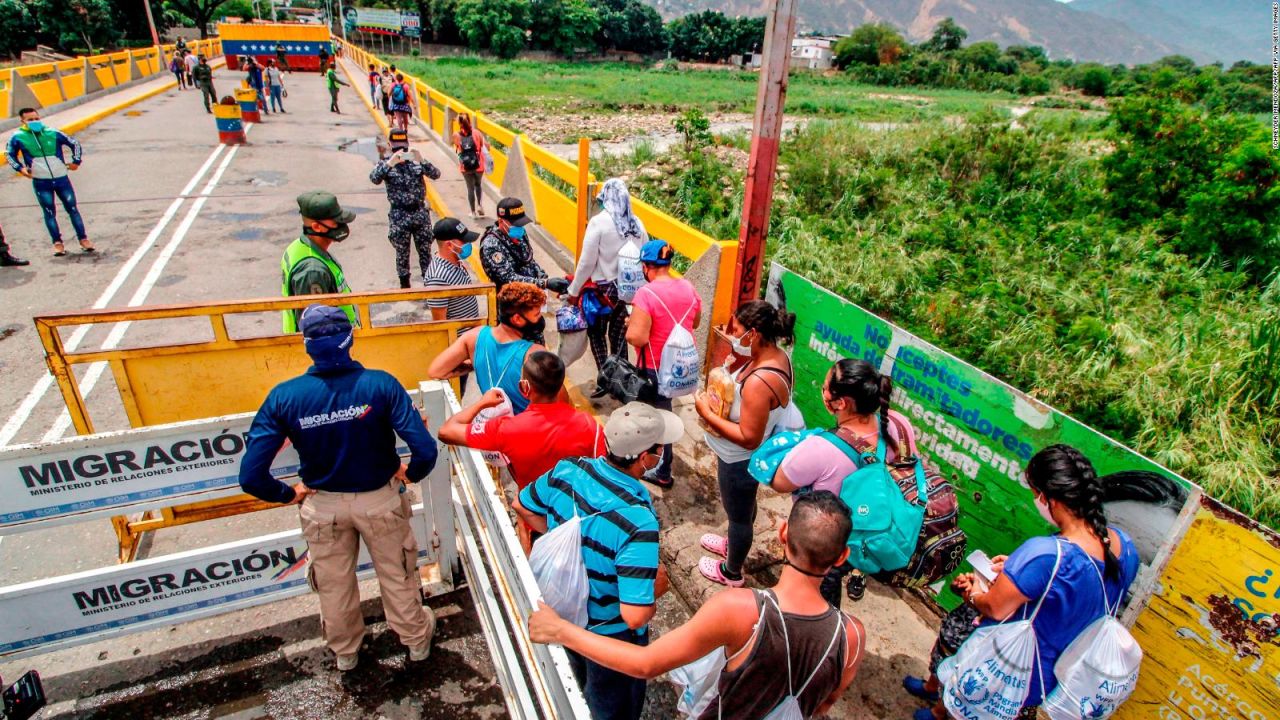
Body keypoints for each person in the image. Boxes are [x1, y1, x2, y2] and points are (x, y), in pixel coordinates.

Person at [530, 490, 866, 720]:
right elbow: (825, 703)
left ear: (782, 534)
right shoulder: (852, 636)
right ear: (842, 557)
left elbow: (646, 663)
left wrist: (562, 630)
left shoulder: (740, 609)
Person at [238, 304, 439, 672]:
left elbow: (251, 475)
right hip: (380, 500)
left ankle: (346, 652)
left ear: (307, 345)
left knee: (333, 584)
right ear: (350, 340)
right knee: (398, 573)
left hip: (323, 506)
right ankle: (416, 642)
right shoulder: (381, 384)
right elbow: (425, 449)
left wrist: (289, 493)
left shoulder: (285, 396)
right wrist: (411, 473)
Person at [903, 444, 1141, 720]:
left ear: (1047, 496)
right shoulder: (1125, 547)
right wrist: (1019, 572)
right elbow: (1073, 595)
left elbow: (994, 608)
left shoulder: (1046, 553)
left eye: (1033, 492)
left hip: (1013, 671)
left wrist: (973, 592)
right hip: (1054, 679)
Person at [514, 402, 682, 720]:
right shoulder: (638, 522)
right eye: (658, 449)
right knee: (613, 707)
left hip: (565, 609)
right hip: (608, 635)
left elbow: (521, 504)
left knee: (580, 678)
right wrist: (656, 589)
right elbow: (634, 617)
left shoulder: (568, 469)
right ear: (645, 459)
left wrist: (562, 533)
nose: (660, 455)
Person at [769, 358, 910, 605]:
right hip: (875, 529)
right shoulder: (898, 423)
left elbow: (780, 482)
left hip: (830, 542)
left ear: (840, 403)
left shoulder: (821, 447)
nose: (822, 392)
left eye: (825, 388)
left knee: (819, 590)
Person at [438, 351, 604, 550]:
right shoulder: (589, 425)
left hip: (536, 524)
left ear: (525, 387)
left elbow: (447, 431)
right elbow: (603, 472)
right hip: (581, 524)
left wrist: (483, 403)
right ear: (561, 385)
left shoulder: (508, 429)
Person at [694, 300, 796, 587]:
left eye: (736, 330)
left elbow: (749, 436)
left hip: (739, 458)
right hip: (741, 456)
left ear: (752, 333)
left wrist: (706, 414)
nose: (732, 335)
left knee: (738, 515)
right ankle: (734, 544)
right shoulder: (777, 357)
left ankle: (732, 571)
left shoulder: (758, 382)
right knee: (742, 508)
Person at [623, 239, 701, 488]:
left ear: (647, 266)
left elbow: (637, 337)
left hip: (654, 368)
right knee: (664, 412)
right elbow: (695, 322)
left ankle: (661, 469)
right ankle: (661, 464)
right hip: (681, 367)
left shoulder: (646, 293)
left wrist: (630, 324)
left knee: (657, 420)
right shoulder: (689, 288)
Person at [568, 179, 648, 390]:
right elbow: (646, 254)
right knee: (619, 336)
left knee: (596, 333)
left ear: (605, 198)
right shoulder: (637, 223)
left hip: (602, 292)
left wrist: (573, 290)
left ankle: (605, 378)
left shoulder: (599, 222)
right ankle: (620, 381)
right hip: (629, 291)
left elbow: (586, 262)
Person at [427, 282, 550, 414]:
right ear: (517, 319)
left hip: (492, 426)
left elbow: (436, 371)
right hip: (524, 429)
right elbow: (556, 406)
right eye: (537, 314)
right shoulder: (535, 353)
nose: (540, 319)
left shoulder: (474, 337)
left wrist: (475, 363)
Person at [6, 108, 93, 256]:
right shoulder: (18, 137)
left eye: (36, 118)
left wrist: (76, 161)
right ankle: (57, 243)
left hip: (61, 178)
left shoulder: (53, 132)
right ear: (23, 121)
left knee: (72, 209)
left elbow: (75, 144)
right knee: (49, 212)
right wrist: (20, 169)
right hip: (41, 181)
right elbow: (10, 154)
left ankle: (83, 239)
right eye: (30, 120)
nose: (34, 122)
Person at [370, 128, 441, 288]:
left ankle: (429, 284)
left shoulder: (416, 162)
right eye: (396, 147)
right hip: (399, 214)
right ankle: (405, 286)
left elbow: (436, 174)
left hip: (419, 213)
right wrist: (390, 163)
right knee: (402, 253)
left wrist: (422, 159)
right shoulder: (387, 164)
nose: (400, 151)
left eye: (403, 147)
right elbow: (374, 178)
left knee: (425, 252)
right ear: (390, 145)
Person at [281, 191, 358, 333]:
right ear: (317, 227)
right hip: (333, 347)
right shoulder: (312, 271)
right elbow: (316, 328)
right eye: (336, 221)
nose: (342, 224)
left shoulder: (299, 246)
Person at [479, 197, 569, 300]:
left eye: (521, 223)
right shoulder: (491, 245)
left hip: (529, 298)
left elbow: (528, 258)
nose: (520, 227)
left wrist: (539, 273)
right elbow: (509, 279)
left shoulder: (520, 234)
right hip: (510, 304)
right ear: (501, 221)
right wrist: (544, 283)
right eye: (515, 224)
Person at [423, 217, 480, 321]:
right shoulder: (437, 277)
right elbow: (440, 323)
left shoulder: (456, 262)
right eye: (464, 241)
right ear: (449, 245)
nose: (468, 244)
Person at [451, 113, 488, 217]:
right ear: (469, 121)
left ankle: (473, 212)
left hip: (465, 166)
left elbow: (457, 147)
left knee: (470, 188)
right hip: (478, 164)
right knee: (478, 185)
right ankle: (480, 205)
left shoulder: (456, 135)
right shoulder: (477, 133)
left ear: (459, 123)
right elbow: (481, 146)